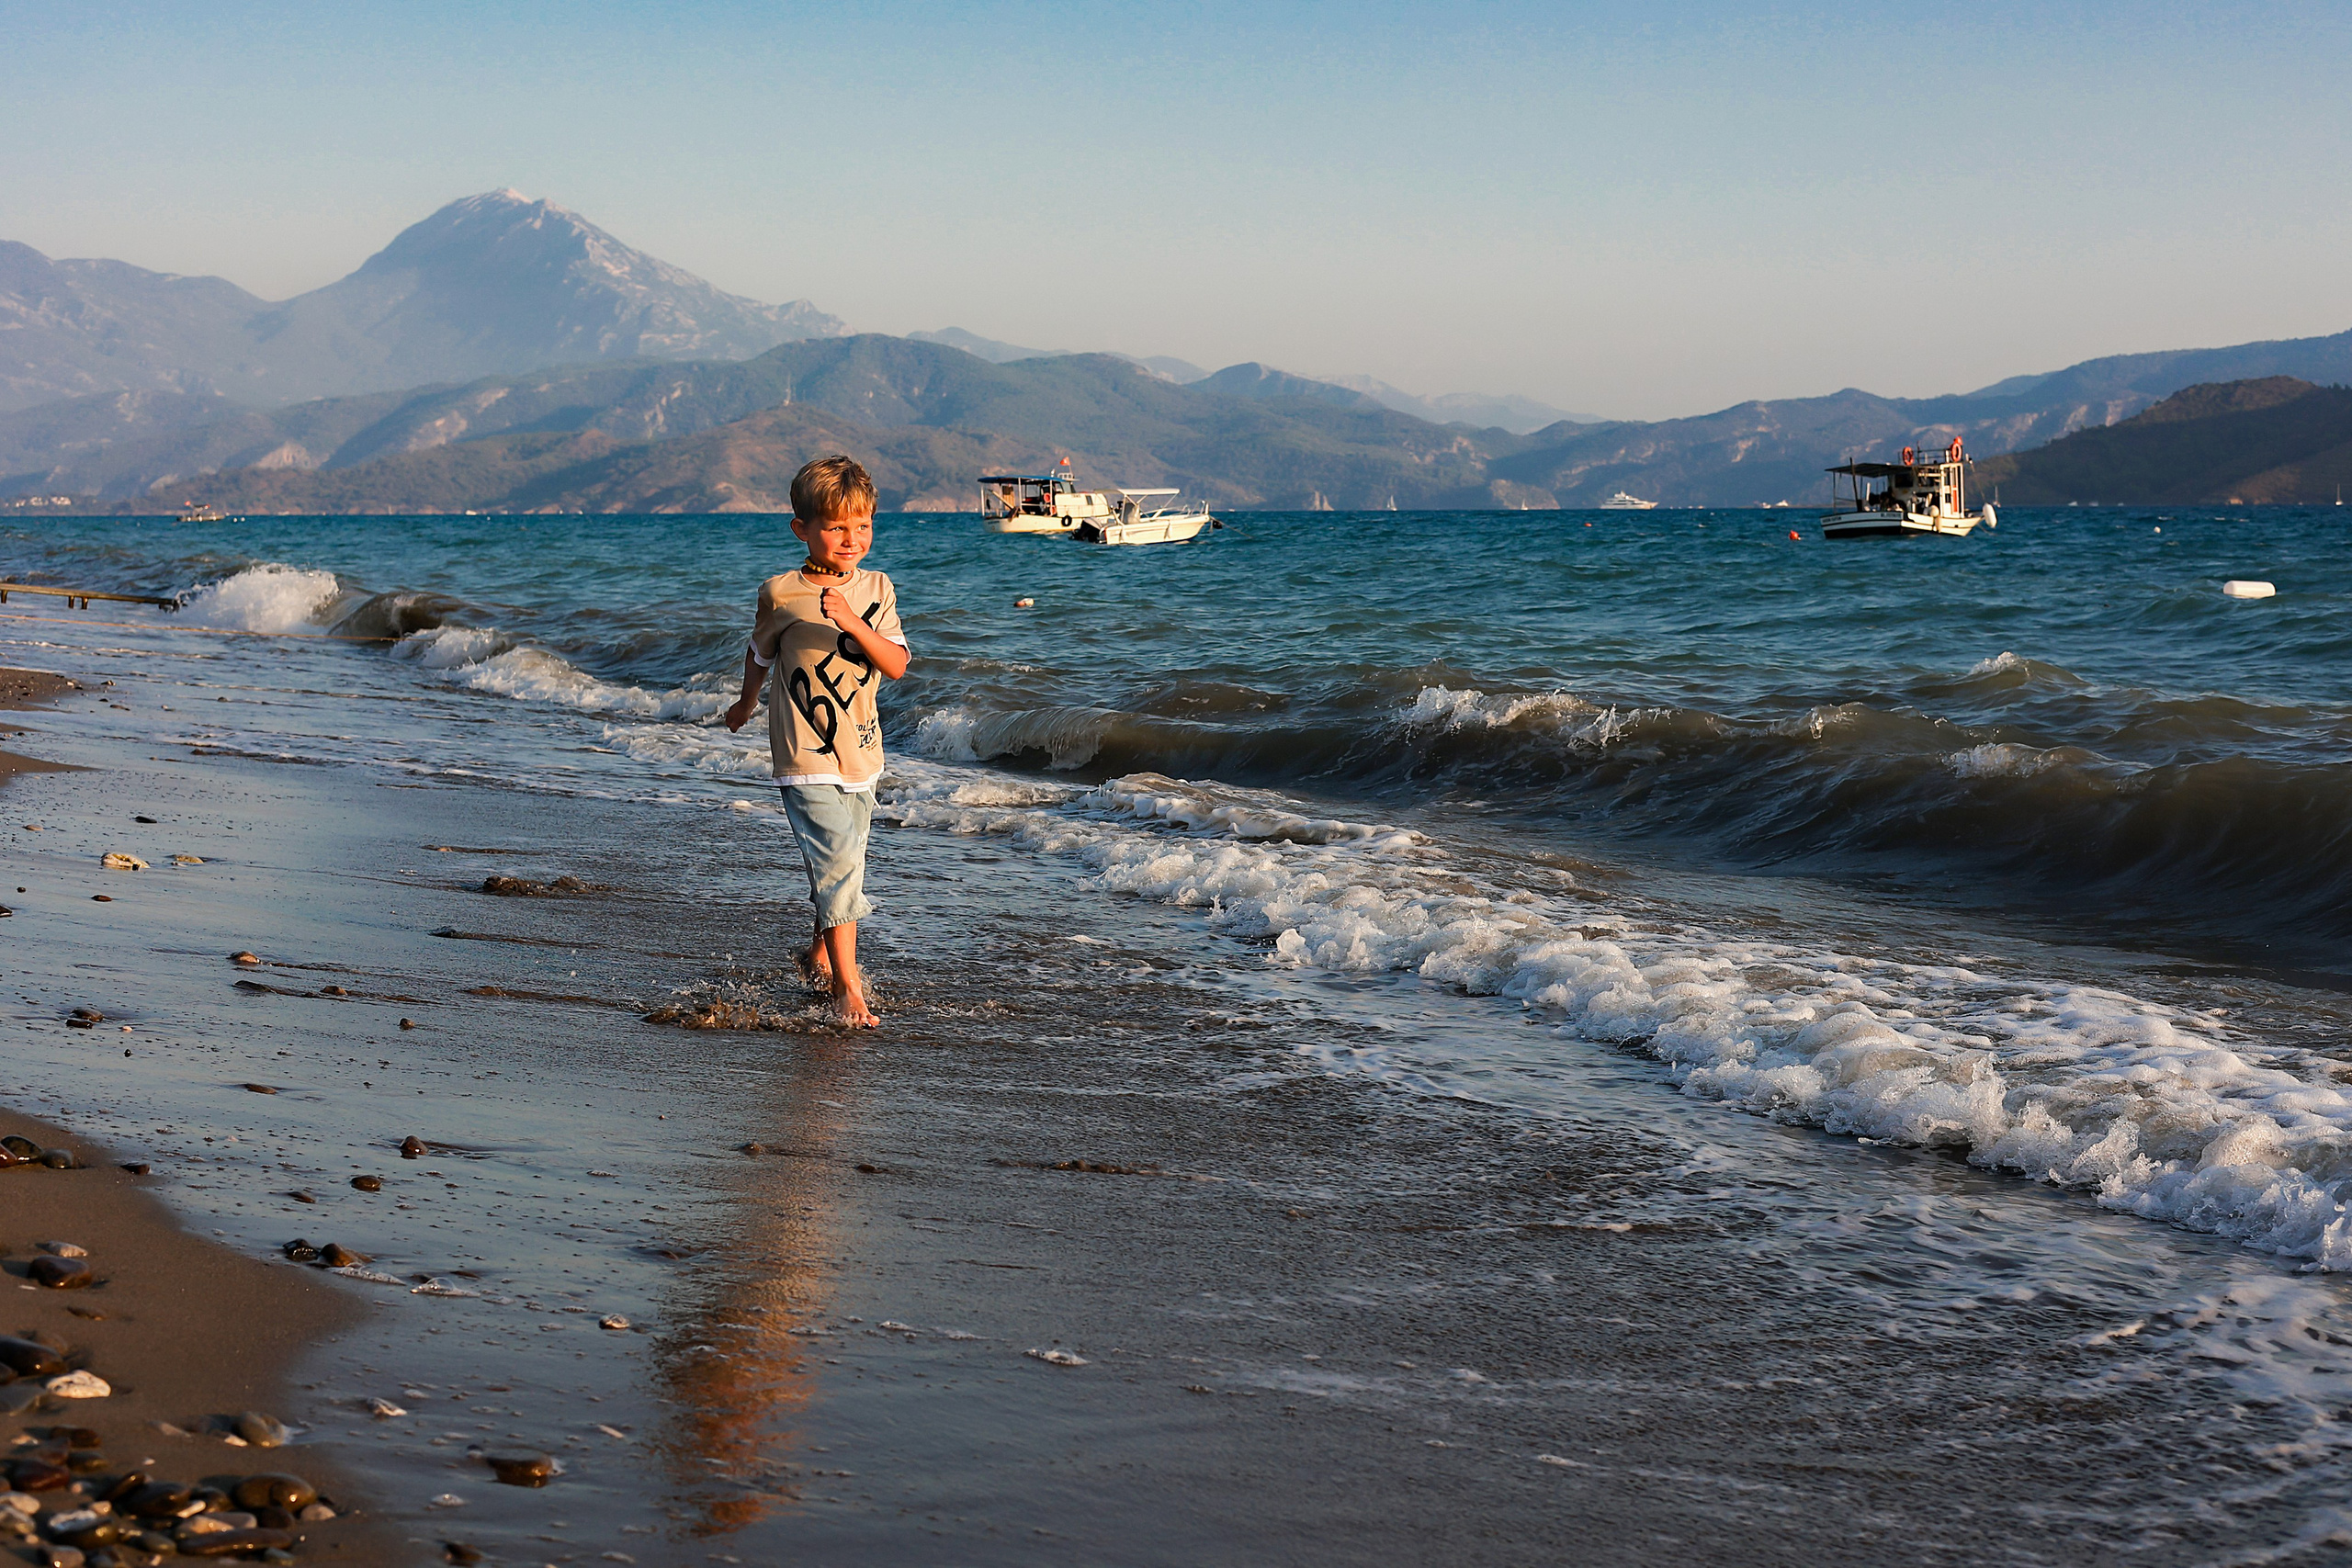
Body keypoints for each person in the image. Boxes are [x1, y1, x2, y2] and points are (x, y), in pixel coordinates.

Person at [724, 455, 910, 1027]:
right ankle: (847, 990)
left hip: (862, 751)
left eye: (862, 527)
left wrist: (854, 622)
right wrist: (746, 701)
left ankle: (818, 954)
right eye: (835, 528)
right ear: (801, 529)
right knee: (836, 863)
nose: (851, 540)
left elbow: (896, 664)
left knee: (843, 862)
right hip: (803, 752)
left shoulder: (877, 588)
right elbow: (760, 653)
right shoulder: (780, 593)